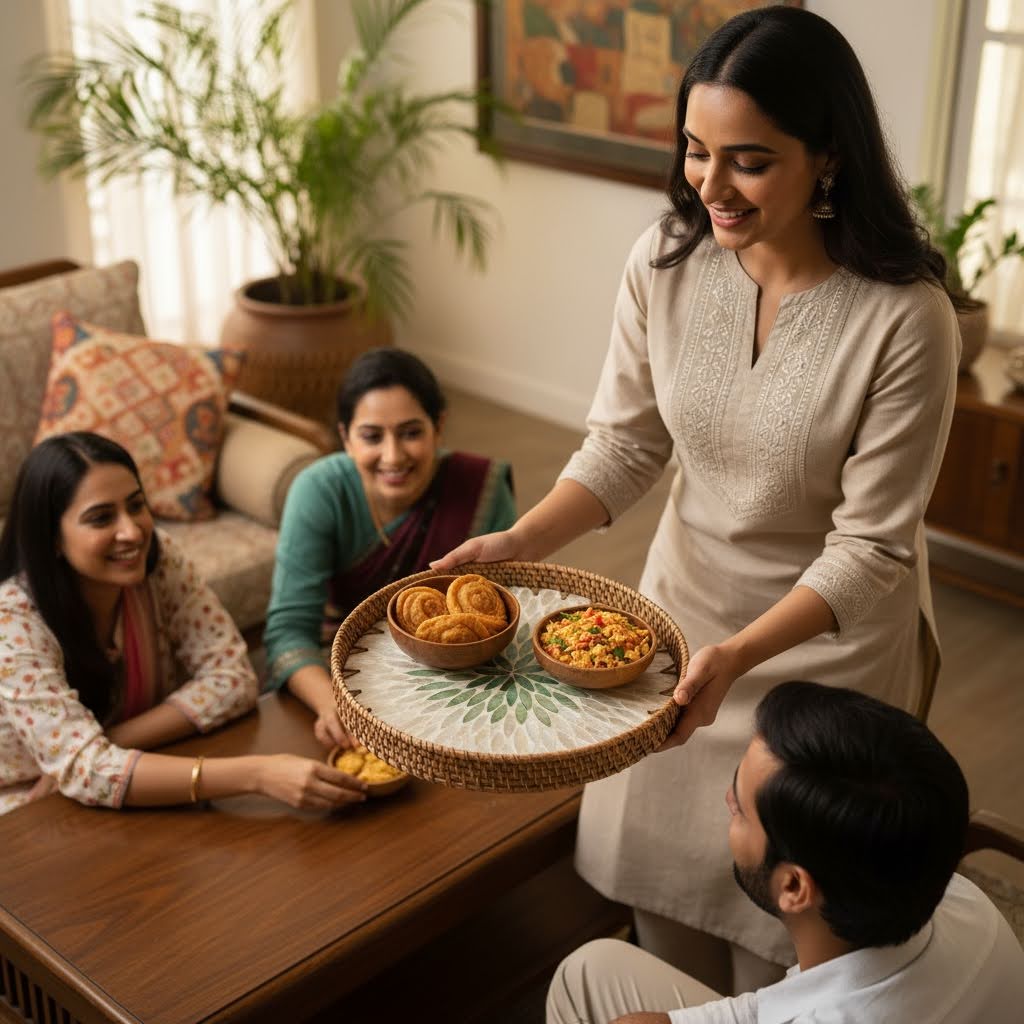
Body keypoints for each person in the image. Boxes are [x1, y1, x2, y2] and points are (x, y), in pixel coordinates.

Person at [434, 5, 962, 993]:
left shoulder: (907, 320)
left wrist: (742, 656)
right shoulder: (666, 264)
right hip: (678, 633)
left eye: (748, 161)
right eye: (693, 150)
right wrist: (518, 536)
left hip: (822, 661)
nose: (708, 185)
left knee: (783, 947)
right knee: (663, 899)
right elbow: (626, 444)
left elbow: (870, 551)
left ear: (828, 158)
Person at [547, 682, 1024, 1024]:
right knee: (590, 970)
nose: (726, 801)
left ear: (794, 886)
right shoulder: (964, 903)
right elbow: (778, 1005)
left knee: (581, 978)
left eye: (740, 810)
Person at [0, 432, 368, 815]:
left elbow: (233, 679)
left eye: (136, 505)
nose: (131, 532)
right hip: (27, 799)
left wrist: (109, 742)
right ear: (52, 538)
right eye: (101, 518)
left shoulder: (158, 561)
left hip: (122, 770)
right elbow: (87, 772)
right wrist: (257, 775)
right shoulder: (13, 622)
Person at [264, 348, 516, 747]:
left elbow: (503, 616)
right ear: (345, 437)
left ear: (439, 426)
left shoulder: (479, 488)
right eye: (371, 436)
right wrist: (337, 706)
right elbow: (288, 632)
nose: (393, 456)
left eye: (411, 432)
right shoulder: (319, 491)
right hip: (345, 668)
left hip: (459, 679)